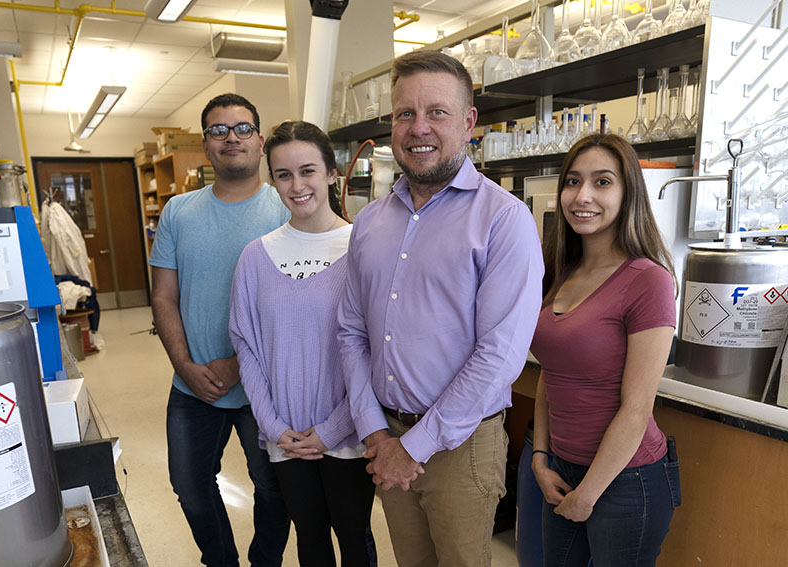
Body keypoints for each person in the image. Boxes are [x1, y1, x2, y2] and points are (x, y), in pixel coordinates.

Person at [338, 50, 544, 567]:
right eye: (404, 113)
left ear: (469, 122)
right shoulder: (369, 222)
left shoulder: (504, 219)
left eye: (437, 112)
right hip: (386, 434)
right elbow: (349, 331)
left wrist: (413, 447)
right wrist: (376, 432)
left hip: (462, 445)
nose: (418, 127)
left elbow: (499, 353)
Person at [149, 93, 291, 567]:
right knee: (189, 485)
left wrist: (238, 365)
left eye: (242, 128)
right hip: (193, 385)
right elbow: (163, 297)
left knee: (274, 486)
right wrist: (185, 366)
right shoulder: (177, 212)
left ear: (261, 140)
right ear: (206, 145)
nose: (232, 137)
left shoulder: (286, 208)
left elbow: (296, 306)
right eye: (218, 130)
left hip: (265, 387)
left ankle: (264, 561)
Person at [529, 133, 682, 567]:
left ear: (627, 192)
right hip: (561, 469)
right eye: (573, 181)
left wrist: (589, 494)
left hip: (626, 479)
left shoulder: (648, 280)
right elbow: (550, 374)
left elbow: (637, 409)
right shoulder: (561, 271)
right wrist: (541, 458)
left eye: (602, 182)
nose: (582, 196)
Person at [229, 121, 377, 567]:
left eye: (308, 171)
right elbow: (246, 347)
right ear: (272, 179)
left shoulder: (363, 248)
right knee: (310, 540)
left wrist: (333, 430)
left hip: (350, 433)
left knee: (355, 539)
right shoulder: (255, 256)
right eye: (283, 175)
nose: (297, 185)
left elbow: (375, 350)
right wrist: (274, 428)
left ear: (332, 173)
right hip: (286, 437)